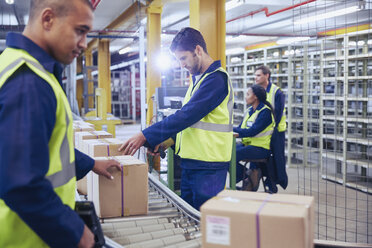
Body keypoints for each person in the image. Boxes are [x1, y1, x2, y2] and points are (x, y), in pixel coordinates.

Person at [0, 1, 121, 247]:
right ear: (48, 20)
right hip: (26, 237)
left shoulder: (16, 65)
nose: (84, 43)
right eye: (80, 30)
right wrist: (73, 230)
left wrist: (91, 163)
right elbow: (21, 182)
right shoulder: (29, 82)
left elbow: (40, 148)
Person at [119, 27, 233, 210]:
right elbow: (191, 124)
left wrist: (145, 135)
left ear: (198, 50)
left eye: (183, 58)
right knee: (189, 216)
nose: (181, 65)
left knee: (205, 220)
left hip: (209, 166)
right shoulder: (198, 80)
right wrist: (167, 141)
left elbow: (186, 116)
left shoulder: (216, 80)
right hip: (192, 163)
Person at [234, 85, 275, 191]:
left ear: (255, 97)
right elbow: (240, 128)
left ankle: (246, 178)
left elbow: (252, 131)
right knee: (225, 151)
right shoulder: (249, 111)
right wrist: (232, 130)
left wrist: (235, 132)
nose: (245, 97)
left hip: (260, 148)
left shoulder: (265, 112)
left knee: (231, 155)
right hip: (248, 146)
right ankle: (248, 177)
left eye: (248, 94)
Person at [254, 65, 288, 190]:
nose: (255, 78)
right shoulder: (255, 91)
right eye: (255, 75)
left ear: (266, 75)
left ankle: (274, 182)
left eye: (258, 75)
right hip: (262, 132)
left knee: (276, 158)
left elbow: (278, 113)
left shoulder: (276, 92)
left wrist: (270, 128)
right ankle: (265, 181)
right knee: (262, 157)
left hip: (276, 131)